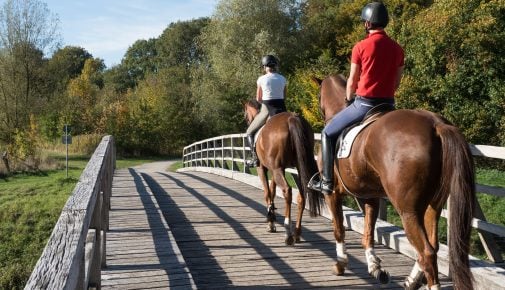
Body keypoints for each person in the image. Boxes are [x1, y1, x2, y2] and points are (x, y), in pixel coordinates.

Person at [308, 2, 404, 194]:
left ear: (367, 23)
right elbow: (397, 81)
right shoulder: (397, 48)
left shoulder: (360, 47)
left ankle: (326, 181)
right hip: (388, 105)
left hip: (364, 104)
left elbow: (352, 80)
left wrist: (350, 98)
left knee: (327, 132)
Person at [245, 55, 287, 167]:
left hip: (267, 109)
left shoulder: (261, 79)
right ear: (275, 66)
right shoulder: (283, 78)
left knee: (249, 132)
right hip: (282, 109)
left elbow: (258, 99)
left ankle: (254, 157)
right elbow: (284, 96)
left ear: (265, 67)